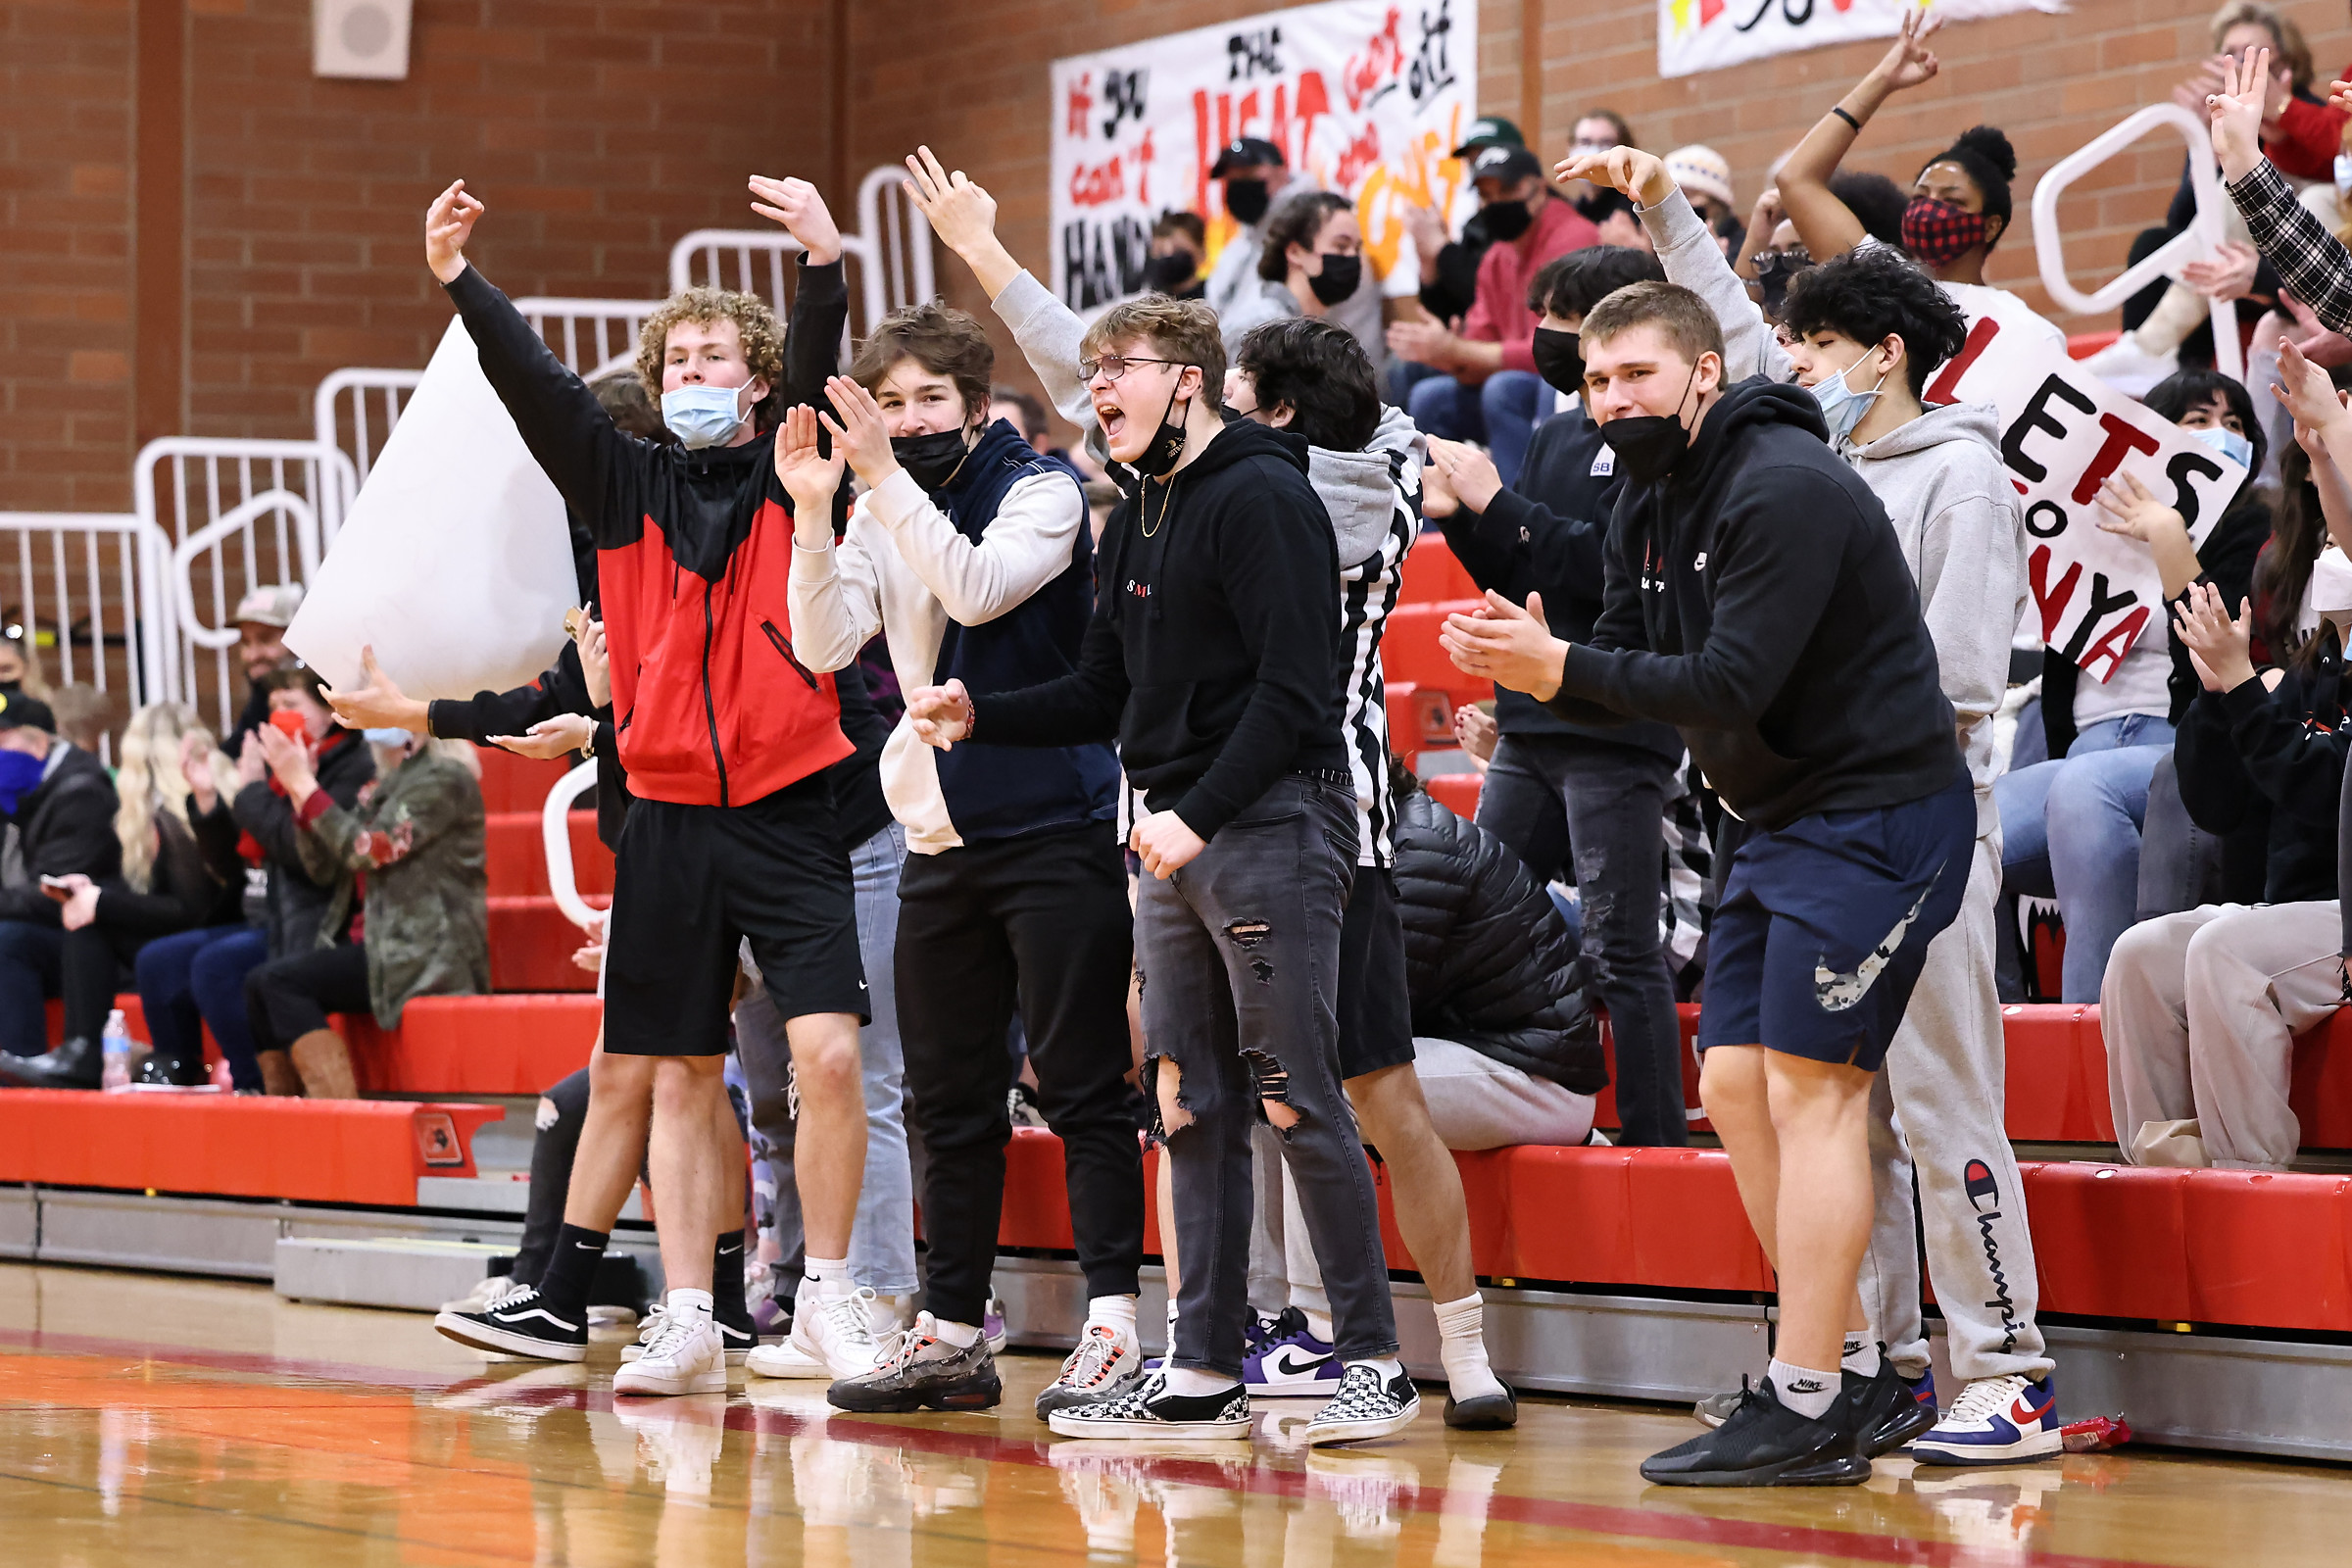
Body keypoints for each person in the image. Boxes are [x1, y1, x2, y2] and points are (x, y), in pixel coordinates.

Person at [904, 144, 1514, 1429]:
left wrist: (1191, 816)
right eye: (1090, 378)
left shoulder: (1271, 495)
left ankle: (1373, 1360)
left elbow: (1294, 698)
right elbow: (1101, 687)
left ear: (1189, 382)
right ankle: (1205, 1361)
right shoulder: (1140, 506)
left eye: (1114, 372)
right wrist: (983, 711)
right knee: (1185, 1101)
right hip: (1171, 836)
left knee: (1304, 1093)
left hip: (1278, 821)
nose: (1092, 393)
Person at [1440, 281, 1973, 1486]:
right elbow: (1634, 656)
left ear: (1704, 373)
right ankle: (1846, 1368)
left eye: (1636, 374)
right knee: (1731, 1084)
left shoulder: (1783, 484)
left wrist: (1560, 665)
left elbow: (1728, 680)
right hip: (1774, 817)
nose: (1611, 399)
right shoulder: (1648, 495)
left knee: (1811, 1092)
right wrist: (1534, 670)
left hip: (1880, 814)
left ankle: (1809, 1394)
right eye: (1595, 381)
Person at [1581, 138, 2064, 1462]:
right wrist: (1662, 206)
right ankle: (1874, 1366)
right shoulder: (1796, 461)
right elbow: (1708, 335)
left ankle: (2008, 1368)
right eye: (1785, 346)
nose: (1786, 364)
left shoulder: (1958, 474)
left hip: (1919, 814)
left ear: (1881, 354)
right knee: (1826, 1105)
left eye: (1812, 348)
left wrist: (1803, 676)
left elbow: (1959, 679)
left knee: (1941, 1104)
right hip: (1805, 822)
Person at [418, 172, 869, 1400]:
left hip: (790, 807)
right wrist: (460, 279)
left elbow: (817, 361)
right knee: (679, 1070)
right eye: (677, 362)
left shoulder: (790, 466)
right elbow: (540, 387)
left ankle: (828, 1291)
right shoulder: (619, 484)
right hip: (665, 819)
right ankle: (687, 1315)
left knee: (828, 1056)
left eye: (715, 357)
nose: (692, 375)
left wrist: (823, 263)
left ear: (756, 378)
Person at [777, 293, 1144, 1419]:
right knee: (949, 1099)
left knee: (1082, 1087)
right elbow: (823, 639)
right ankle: (948, 1331)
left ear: (977, 405)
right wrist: (812, 512)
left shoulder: (1043, 489)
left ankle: (1115, 1323)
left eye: (930, 397)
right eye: (888, 401)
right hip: (936, 836)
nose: (907, 417)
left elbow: (976, 587)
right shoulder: (878, 497)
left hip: (1052, 826)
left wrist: (879, 477)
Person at [1420, 243, 1696, 1151]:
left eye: (1559, 319)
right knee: (1476, 917)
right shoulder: (1552, 435)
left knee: (1622, 949)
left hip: (1615, 721)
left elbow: (1604, 566)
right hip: (1533, 722)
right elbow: (1527, 572)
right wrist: (1464, 520)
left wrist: (1499, 503)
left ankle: (1657, 1152)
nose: (1544, 336)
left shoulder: (1656, 440)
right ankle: (1517, 1096)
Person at [1995, 368, 2272, 1003]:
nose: (2219, 435)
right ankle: (2001, 1027)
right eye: (2198, 420)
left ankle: (2095, 1027)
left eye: (2234, 424)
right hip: (2084, 747)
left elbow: (2214, 657)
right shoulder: (2086, 522)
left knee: (2083, 790)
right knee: (1956, 823)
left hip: (2177, 748)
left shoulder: (2248, 529)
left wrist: (2171, 539)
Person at [2104, 557, 2352, 1172]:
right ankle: (2166, 1180)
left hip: (2345, 916)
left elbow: (2324, 791)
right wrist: (2217, 695)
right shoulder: (2317, 667)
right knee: (2139, 956)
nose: (2328, 555)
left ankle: (2250, 1188)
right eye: (2323, 541)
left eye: (2340, 540)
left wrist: (2244, 685)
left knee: (2226, 952)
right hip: (2301, 912)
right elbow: (2217, 808)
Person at [1771, 12, 2066, 359]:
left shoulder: (2029, 331)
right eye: (1922, 195)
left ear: (1990, 225)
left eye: (1951, 200)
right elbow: (1795, 178)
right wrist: (1884, 79)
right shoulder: (1885, 281)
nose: (1930, 208)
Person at [241, 726, 488, 1098]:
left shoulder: (445, 778)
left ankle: (341, 1118)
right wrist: (298, 795)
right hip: (376, 943)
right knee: (258, 985)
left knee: (280, 982)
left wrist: (307, 787)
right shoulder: (384, 785)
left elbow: (370, 851)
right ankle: (289, 1113)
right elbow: (324, 867)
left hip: (425, 951)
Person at [19, 706, 245, 1091]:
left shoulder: (173, 816)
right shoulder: (180, 805)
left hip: (215, 932)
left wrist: (102, 902)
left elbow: (193, 911)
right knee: (88, 922)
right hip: (194, 931)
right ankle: (81, 1052)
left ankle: (84, 1054)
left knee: (94, 923)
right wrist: (92, 893)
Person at [1389, 144, 1600, 487]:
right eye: (1487, 195)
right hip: (1515, 382)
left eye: (1507, 190)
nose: (1496, 203)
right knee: (1429, 396)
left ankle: (1517, 507)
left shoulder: (1573, 237)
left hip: (1570, 381)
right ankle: (1431, 512)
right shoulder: (1497, 256)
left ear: (1538, 190)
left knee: (1503, 390)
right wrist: (1446, 352)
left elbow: (1556, 346)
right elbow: (1478, 344)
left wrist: (1457, 350)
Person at [0, 694, 132, 1083]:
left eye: (2, 740)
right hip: (49, 929)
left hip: (94, 938)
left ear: (38, 743)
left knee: (8, 942)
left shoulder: (80, 790)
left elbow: (54, 893)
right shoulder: (20, 793)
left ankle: (18, 1069)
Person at [1201, 138, 1388, 374]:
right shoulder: (1240, 246)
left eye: (1248, 174)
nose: (1239, 184)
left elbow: (1357, 346)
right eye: (1231, 179)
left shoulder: (1326, 226)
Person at [1215, 191, 1363, 356]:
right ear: (1295, 252)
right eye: (1341, 246)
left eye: (1357, 248)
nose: (1353, 256)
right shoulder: (1259, 331)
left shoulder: (1318, 333)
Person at [222, 584, 304, 755]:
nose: (252, 655)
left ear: (297, 639)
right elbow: (233, 751)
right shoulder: (261, 697)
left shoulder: (323, 698)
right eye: (246, 642)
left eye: (266, 639)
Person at [1142, 212, 1207, 300]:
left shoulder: (1216, 298)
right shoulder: (1147, 302)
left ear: (1202, 253)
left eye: (1179, 249)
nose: (1169, 255)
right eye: (1161, 251)